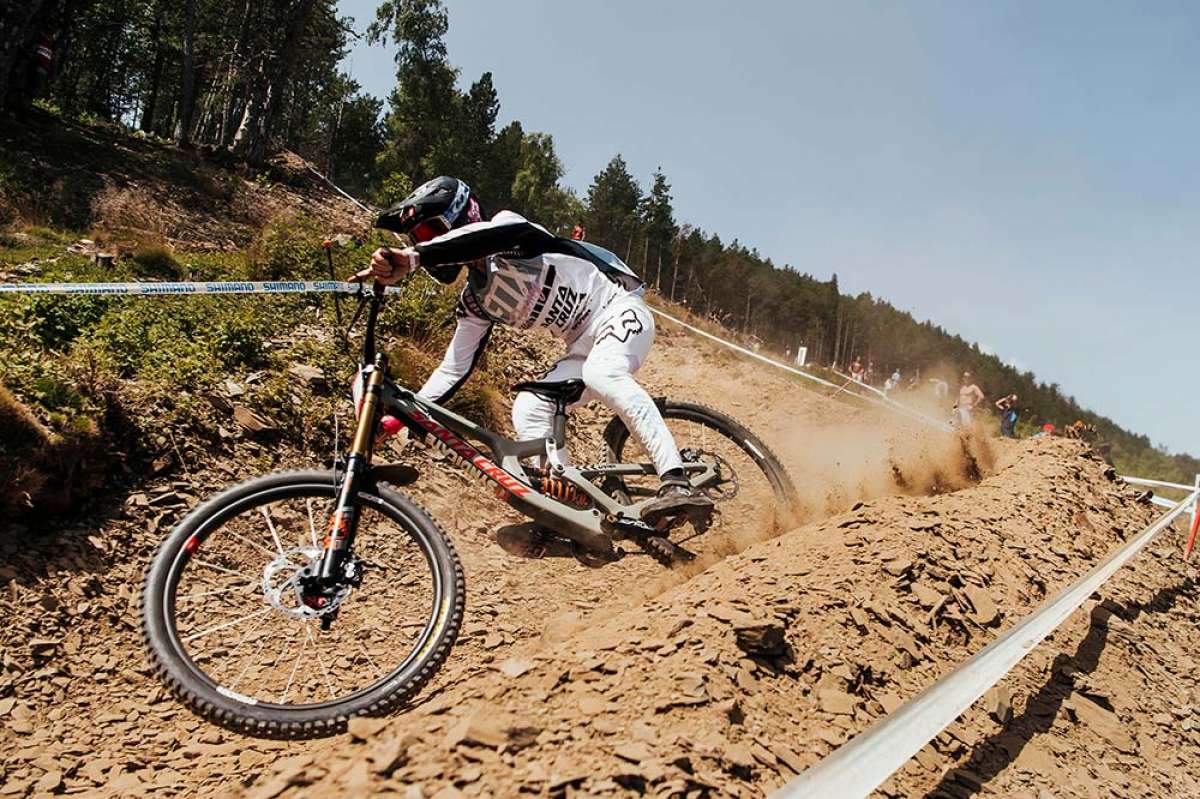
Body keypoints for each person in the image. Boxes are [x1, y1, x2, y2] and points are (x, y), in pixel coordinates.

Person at [355, 176, 713, 530]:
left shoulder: (508, 229)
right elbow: (453, 370)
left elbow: (491, 238)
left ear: (463, 214)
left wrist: (416, 256)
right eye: (417, 237)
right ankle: (566, 511)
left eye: (431, 230)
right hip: (581, 346)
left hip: (619, 309)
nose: (429, 241)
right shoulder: (476, 302)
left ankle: (675, 478)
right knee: (529, 407)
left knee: (602, 374)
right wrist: (395, 420)